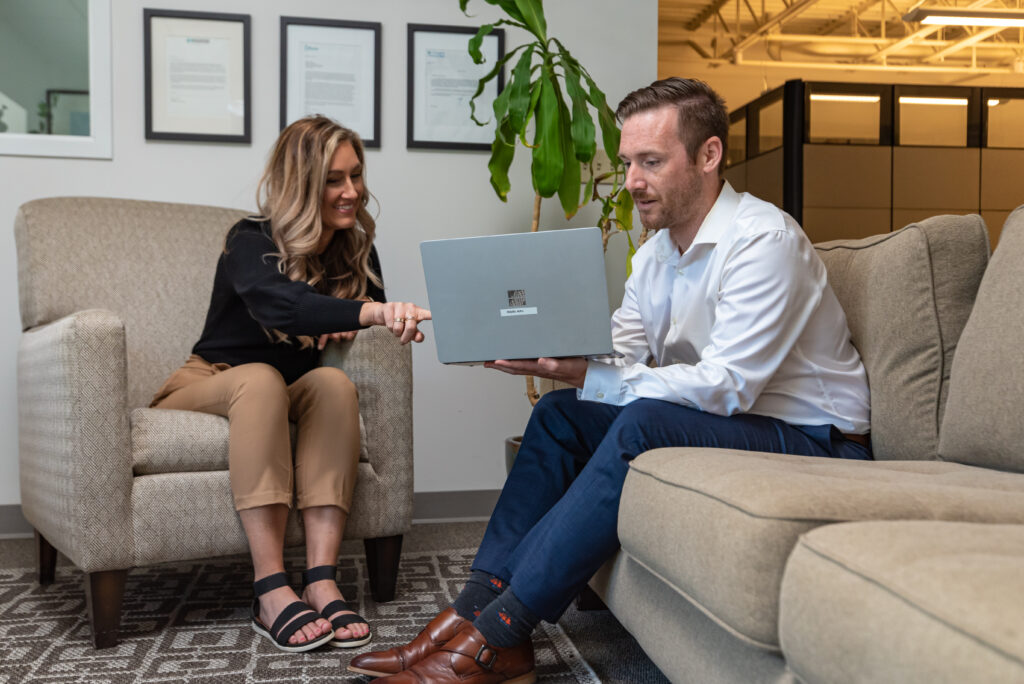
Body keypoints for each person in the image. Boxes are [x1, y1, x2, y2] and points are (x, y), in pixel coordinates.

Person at [348, 77, 870, 683]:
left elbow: (729, 386)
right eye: (627, 162)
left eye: (651, 162)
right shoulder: (654, 254)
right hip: (735, 419)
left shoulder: (764, 241)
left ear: (709, 155)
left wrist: (590, 373)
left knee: (641, 419)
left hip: (816, 437)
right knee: (560, 413)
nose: (631, 182)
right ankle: (474, 608)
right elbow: (620, 353)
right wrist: (545, 349)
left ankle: (503, 632)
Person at [150, 116, 430, 653]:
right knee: (260, 380)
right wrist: (364, 311)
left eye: (356, 175)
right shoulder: (248, 240)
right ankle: (270, 588)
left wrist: (379, 317)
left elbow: (349, 322)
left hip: (288, 388)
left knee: (331, 385)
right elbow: (282, 304)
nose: (351, 192)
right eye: (333, 179)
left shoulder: (355, 250)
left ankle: (321, 579)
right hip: (209, 382)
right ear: (301, 184)